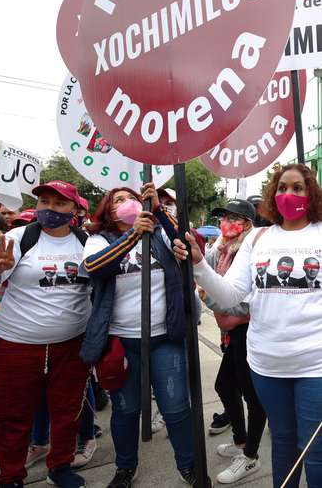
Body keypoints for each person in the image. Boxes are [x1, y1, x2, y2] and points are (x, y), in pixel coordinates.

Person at [173, 163, 322, 488]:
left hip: (316, 366)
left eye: (298, 188)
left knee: (315, 451)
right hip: (267, 365)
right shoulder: (258, 238)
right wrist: (199, 264)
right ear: (272, 194)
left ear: (311, 194)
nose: (289, 194)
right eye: (283, 187)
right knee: (282, 442)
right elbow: (231, 295)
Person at [0, 180, 92, 488]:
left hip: (70, 348)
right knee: (14, 418)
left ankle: (61, 467)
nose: (50, 209)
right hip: (15, 348)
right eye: (44, 202)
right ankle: (11, 476)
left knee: (67, 414)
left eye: (59, 203)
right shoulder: (19, 237)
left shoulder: (87, 242)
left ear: (75, 210)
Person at [81, 184, 196, 487]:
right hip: (121, 342)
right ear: (109, 210)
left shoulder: (158, 234)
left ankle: (189, 465)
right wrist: (132, 236)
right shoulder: (97, 240)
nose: (126, 202)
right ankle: (125, 468)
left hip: (164, 338)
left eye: (131, 197)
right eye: (118, 200)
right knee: (127, 409)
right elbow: (93, 267)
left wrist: (158, 210)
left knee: (176, 407)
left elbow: (186, 240)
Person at [202, 200, 266, 484]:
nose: (227, 222)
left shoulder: (252, 252)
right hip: (232, 330)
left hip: (247, 330)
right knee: (225, 385)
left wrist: (232, 315)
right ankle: (241, 442)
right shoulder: (222, 251)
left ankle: (250, 456)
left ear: (249, 224)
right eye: (224, 217)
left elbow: (252, 297)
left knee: (252, 396)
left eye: (234, 218)